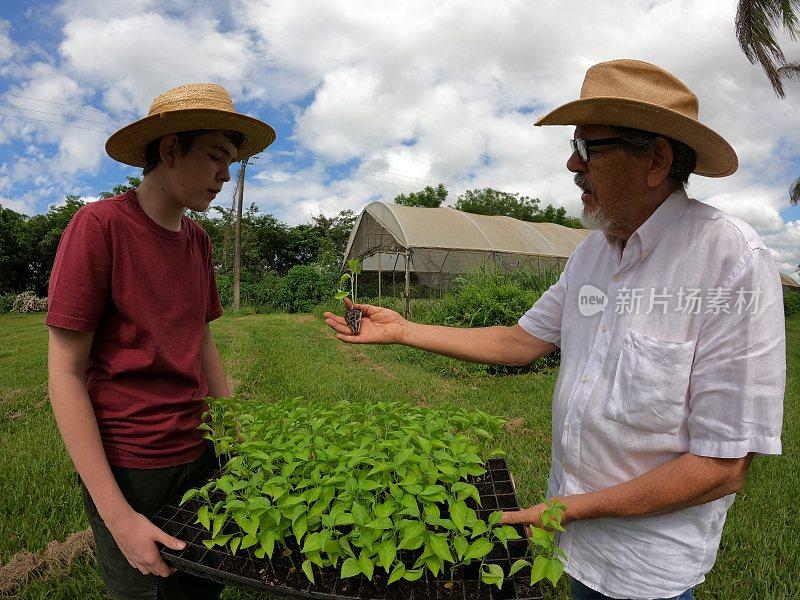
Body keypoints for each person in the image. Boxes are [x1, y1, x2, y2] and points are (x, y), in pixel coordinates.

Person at [325, 59, 785, 600]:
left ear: (657, 160)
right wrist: (404, 330)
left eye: (590, 148)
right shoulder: (593, 251)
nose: (572, 163)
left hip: (645, 566)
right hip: (572, 540)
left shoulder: (729, 259)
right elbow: (522, 341)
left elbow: (721, 465)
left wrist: (568, 510)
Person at [46, 83, 275, 599]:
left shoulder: (197, 240)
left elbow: (201, 341)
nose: (225, 175)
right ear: (170, 149)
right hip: (133, 464)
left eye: (232, 162)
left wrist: (234, 442)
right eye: (217, 157)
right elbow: (64, 372)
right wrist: (119, 516)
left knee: (204, 581)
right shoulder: (98, 227)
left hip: (200, 450)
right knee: (143, 587)